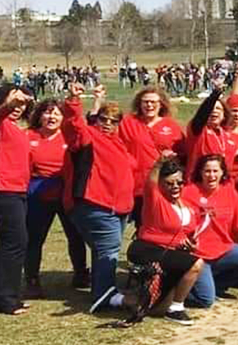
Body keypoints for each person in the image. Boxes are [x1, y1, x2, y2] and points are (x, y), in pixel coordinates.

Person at [60, 83, 136, 314]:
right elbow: (73, 126)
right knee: (108, 250)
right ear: (96, 119)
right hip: (97, 204)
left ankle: (103, 288)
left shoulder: (119, 144)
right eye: (104, 119)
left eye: (114, 121)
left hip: (119, 207)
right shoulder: (88, 137)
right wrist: (74, 100)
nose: (108, 124)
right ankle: (104, 296)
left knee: (104, 250)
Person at [127, 157, 205, 326]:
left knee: (157, 310)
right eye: (169, 183)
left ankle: (124, 299)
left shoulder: (187, 206)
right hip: (148, 247)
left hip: (173, 253)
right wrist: (160, 163)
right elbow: (151, 181)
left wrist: (192, 245)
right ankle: (176, 309)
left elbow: (190, 235)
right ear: (161, 184)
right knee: (197, 264)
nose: (175, 186)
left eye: (179, 182)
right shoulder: (155, 199)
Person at [0, 84, 35, 315]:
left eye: (22, 105)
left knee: (8, 241)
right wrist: (9, 105)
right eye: (14, 102)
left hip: (14, 189)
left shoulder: (14, 128)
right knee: (16, 241)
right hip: (0, 188)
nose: (18, 108)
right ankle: (6, 299)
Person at [183, 154, 238, 308]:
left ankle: (217, 286)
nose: (211, 175)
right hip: (197, 255)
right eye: (207, 171)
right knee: (206, 301)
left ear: (222, 173)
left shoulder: (229, 192)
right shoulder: (188, 193)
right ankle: (181, 290)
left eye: (215, 171)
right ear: (200, 172)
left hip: (222, 249)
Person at [24, 99, 87, 299]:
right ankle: (32, 279)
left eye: (56, 114)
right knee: (34, 238)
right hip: (37, 192)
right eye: (47, 113)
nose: (51, 117)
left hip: (65, 190)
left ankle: (80, 273)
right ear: (39, 116)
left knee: (75, 234)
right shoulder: (28, 136)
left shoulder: (69, 136)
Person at [118, 86, 185, 221]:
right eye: (146, 102)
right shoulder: (128, 123)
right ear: (139, 104)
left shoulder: (171, 126)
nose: (149, 105)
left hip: (163, 185)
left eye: (154, 102)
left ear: (161, 104)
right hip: (137, 185)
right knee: (141, 223)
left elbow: (183, 153)